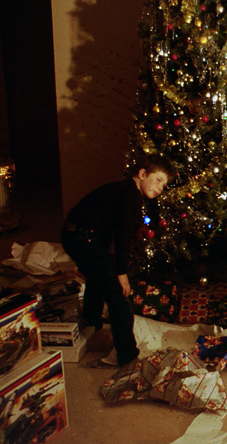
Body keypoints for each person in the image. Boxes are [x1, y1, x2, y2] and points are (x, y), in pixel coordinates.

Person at [61, 154, 175, 365]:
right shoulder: (130, 195)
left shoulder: (121, 190)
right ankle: (127, 355)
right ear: (142, 174)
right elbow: (124, 236)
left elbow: (106, 227)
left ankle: (91, 327)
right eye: (158, 180)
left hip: (75, 235)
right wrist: (120, 273)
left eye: (164, 185)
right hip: (83, 237)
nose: (160, 188)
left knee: (98, 278)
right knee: (118, 293)